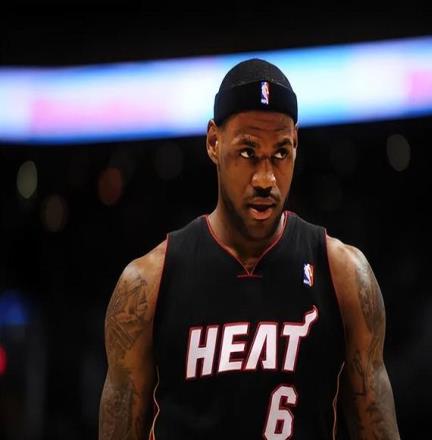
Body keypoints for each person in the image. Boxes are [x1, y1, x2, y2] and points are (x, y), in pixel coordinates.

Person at [99, 58, 401, 439]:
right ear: (214, 142)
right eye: (248, 152)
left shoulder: (344, 274)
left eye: (281, 153)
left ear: (296, 144)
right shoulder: (147, 283)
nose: (265, 178)